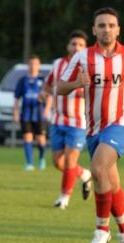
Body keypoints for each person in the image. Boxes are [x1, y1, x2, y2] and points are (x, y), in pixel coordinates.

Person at [57, 7, 124, 243]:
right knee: (110, 180)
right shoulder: (82, 57)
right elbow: (59, 87)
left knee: (97, 169)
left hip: (121, 122)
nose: (106, 29)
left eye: (111, 25)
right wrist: (77, 83)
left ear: (118, 29)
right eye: (101, 25)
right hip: (93, 128)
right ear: (94, 30)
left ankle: (102, 229)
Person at [40, 30, 93, 210]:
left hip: (77, 123)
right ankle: (84, 174)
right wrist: (44, 92)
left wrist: (80, 89)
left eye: (80, 45)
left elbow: (94, 91)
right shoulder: (58, 64)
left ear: (85, 48)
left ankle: (64, 198)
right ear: (67, 46)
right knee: (58, 162)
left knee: (70, 161)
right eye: (73, 44)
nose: (76, 47)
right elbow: (48, 83)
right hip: (57, 120)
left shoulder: (90, 66)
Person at [13, 54, 51, 171]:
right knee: (27, 137)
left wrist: (47, 109)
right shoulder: (22, 81)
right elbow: (16, 98)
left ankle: (41, 159)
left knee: (40, 139)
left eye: (35, 64)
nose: (33, 66)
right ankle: (29, 164)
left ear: (39, 65)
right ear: (27, 65)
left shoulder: (43, 80)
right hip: (26, 114)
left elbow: (50, 96)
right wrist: (15, 112)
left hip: (39, 114)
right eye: (31, 64)